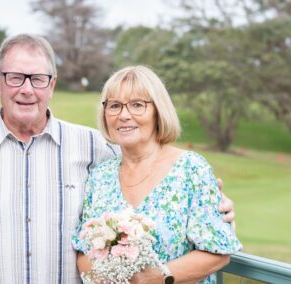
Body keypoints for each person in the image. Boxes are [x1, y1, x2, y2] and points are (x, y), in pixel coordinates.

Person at [0, 34, 235, 283]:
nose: (26, 89)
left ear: (52, 84)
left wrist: (218, 204)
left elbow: (158, 173)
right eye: (15, 77)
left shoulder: (95, 148)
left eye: (38, 78)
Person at [73, 65, 242, 283]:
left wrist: (158, 278)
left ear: (158, 111)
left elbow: (218, 252)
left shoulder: (190, 169)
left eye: (137, 105)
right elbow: (84, 250)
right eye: (114, 106)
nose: (124, 115)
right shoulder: (100, 176)